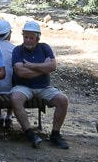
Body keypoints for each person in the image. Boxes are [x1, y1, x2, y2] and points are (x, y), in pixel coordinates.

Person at [10, 19, 68, 148]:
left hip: (44, 87)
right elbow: (20, 72)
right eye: (26, 37)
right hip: (23, 86)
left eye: (31, 38)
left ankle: (55, 134)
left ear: (37, 38)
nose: (28, 40)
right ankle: (29, 133)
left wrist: (30, 65)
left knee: (62, 100)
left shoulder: (45, 47)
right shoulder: (17, 50)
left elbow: (53, 66)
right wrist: (43, 69)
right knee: (15, 98)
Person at [0, 18, 16, 128]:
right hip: (11, 91)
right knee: (14, 80)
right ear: (9, 33)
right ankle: (9, 115)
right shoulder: (15, 49)